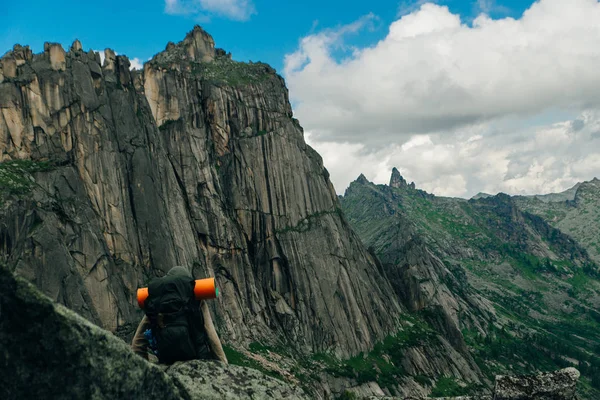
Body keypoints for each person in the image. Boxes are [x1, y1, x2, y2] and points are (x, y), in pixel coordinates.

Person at [131, 266, 228, 364]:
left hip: (167, 361)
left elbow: (137, 342)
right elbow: (212, 336)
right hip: (197, 360)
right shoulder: (195, 297)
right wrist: (224, 364)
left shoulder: (156, 301)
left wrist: (144, 370)